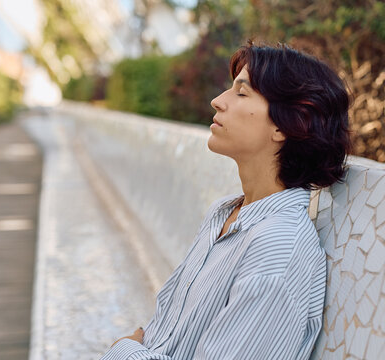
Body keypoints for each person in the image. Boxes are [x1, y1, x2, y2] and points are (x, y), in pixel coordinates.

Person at [100, 41, 352, 360]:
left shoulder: (278, 250)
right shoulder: (224, 215)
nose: (218, 101)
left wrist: (124, 350)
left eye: (241, 92)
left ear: (288, 124)